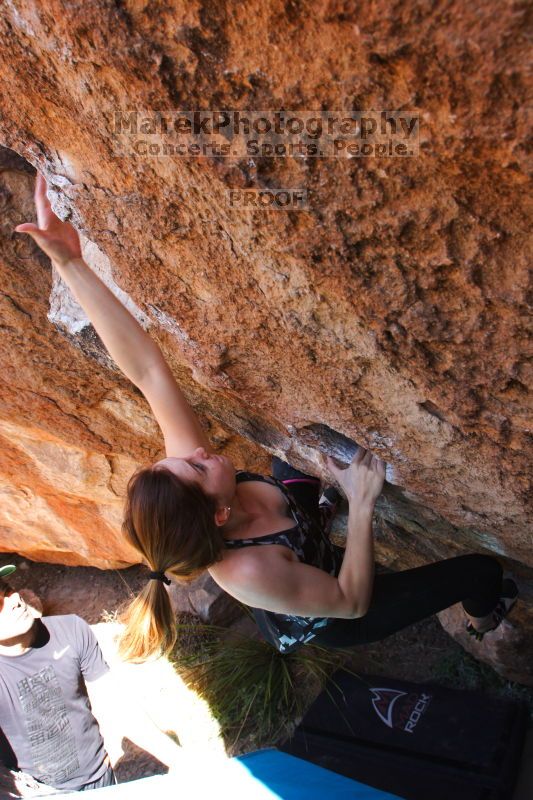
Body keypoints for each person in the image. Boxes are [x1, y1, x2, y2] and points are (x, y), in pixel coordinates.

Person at [15, 173, 519, 662]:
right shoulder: (248, 571)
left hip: (294, 541)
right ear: (218, 515)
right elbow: (350, 600)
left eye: (174, 461)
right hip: (338, 610)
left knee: (288, 465)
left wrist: (71, 262)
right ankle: (485, 622)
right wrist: (361, 503)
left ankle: (319, 515)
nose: (192, 453)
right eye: (193, 467)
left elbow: (147, 370)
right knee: (480, 570)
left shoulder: (201, 486)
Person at [0, 564, 185, 796]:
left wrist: (179, 761)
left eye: (7, 589)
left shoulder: (70, 630)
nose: (15, 599)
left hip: (101, 781)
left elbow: (115, 703)